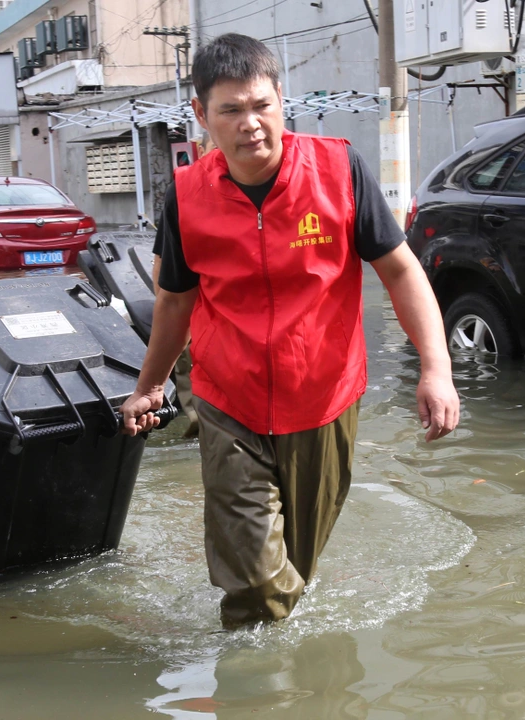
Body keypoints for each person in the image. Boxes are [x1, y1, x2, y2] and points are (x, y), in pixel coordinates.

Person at [119, 34, 460, 629]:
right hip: (229, 398)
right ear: (201, 115)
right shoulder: (186, 195)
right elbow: (174, 302)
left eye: (261, 106)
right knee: (257, 585)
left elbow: (401, 271)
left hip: (324, 399)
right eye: (230, 110)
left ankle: (303, 680)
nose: (250, 125)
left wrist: (436, 369)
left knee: (293, 570)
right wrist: (150, 386)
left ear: (283, 100)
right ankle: (259, 692)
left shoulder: (338, 169)